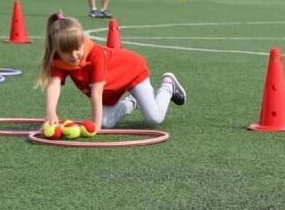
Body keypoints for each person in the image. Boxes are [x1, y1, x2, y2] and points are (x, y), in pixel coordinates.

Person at [36, 13, 185, 131]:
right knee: (107, 122)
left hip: (132, 71)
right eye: (66, 52)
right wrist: (50, 112)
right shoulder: (58, 61)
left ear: (83, 42)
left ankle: (167, 86)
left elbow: (97, 92)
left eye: (77, 49)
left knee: (154, 118)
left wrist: (95, 124)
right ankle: (133, 101)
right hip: (112, 86)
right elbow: (54, 85)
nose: (73, 55)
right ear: (57, 50)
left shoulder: (95, 54)